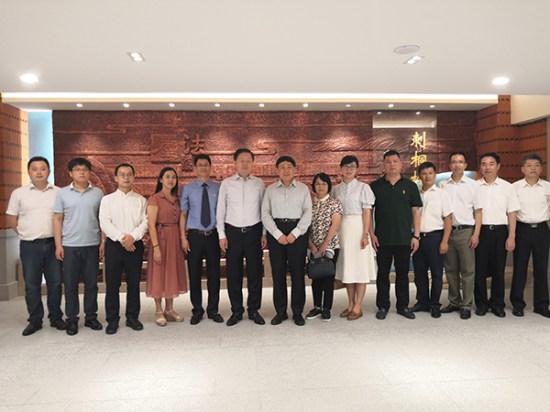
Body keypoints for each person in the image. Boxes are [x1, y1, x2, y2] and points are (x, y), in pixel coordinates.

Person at [6, 156, 65, 336]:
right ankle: (35, 320)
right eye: (35, 169)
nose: (39, 172)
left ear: (49, 171)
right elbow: (12, 219)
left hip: (53, 244)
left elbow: (63, 218)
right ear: (29, 172)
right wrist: (25, 233)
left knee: (55, 283)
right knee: (32, 284)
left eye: (43, 168)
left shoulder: (59, 193)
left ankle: (56, 317)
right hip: (30, 246)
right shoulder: (19, 193)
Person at [53, 157, 104, 336]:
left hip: (92, 244)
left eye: (85, 169)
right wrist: (58, 245)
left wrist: (103, 241)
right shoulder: (62, 193)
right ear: (71, 173)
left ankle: (91, 317)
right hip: (69, 246)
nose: (81, 172)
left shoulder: (98, 193)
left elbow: (102, 219)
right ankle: (72, 319)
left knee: (92, 284)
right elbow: (57, 219)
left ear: (89, 173)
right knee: (70, 285)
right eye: (77, 169)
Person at [217, 148, 267, 327]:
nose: (245, 164)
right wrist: (222, 235)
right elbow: (220, 211)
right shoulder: (226, 184)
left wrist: (263, 233)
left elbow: (264, 210)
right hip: (233, 233)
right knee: (233, 273)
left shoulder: (259, 183)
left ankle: (253, 309)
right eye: (241, 160)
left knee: (255, 273)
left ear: (252, 163)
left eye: (248, 161)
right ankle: (236, 310)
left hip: (254, 232)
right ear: (235, 163)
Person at [370, 150, 422, 320]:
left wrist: (416, 236)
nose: (392, 165)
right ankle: (382, 305)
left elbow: (416, 212)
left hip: (404, 238)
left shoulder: (410, 186)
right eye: (388, 162)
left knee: (402, 274)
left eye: (395, 161)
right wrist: (371, 234)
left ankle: (403, 306)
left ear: (401, 164)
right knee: (382, 275)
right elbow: (368, 212)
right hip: (382, 239)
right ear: (383, 165)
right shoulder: (375, 186)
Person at [262, 156, 312, 326]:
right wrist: (277, 234)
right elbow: (265, 213)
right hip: (276, 232)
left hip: (297, 232)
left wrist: (295, 233)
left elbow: (308, 213)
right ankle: (280, 311)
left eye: (289, 166)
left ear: (294, 169)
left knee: (298, 274)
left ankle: (297, 312)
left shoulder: (303, 189)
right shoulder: (270, 190)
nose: (285, 170)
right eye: (282, 167)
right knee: (278, 273)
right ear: (277, 170)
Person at [99, 163, 148, 334]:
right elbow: (105, 222)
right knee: (112, 285)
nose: (126, 177)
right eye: (122, 174)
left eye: (129, 174)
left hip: (135, 245)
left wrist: (132, 237)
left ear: (134, 177)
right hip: (114, 245)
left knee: (133, 284)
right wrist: (122, 238)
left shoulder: (141, 200)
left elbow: (145, 222)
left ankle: (132, 318)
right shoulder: (107, 200)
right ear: (116, 178)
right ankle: (112, 320)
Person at [475, 152, 520, 317]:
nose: (487, 167)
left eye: (491, 164)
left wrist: (512, 236)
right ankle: (481, 304)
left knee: (498, 270)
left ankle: (497, 304)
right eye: (484, 164)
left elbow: (512, 213)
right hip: (480, 232)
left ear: (498, 166)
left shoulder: (507, 187)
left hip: (500, 232)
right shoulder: (474, 187)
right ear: (480, 167)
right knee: (479, 270)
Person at [180, 154, 224, 325]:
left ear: (211, 167)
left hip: (213, 235)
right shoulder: (188, 189)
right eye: (200, 165)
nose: (203, 167)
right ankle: (197, 310)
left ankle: (213, 310)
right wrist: (183, 237)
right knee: (194, 274)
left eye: (206, 164)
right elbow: (183, 214)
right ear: (195, 168)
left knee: (214, 274)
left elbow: (222, 213)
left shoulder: (218, 187)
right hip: (194, 237)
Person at [331, 155, 376, 320]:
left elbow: (367, 212)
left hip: (358, 228)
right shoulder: (335, 189)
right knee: (348, 268)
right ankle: (350, 304)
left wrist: (365, 234)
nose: (349, 169)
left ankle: (358, 305)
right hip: (342, 229)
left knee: (360, 268)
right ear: (341, 169)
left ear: (357, 169)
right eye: (346, 166)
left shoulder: (364, 188)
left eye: (352, 166)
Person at [439, 152, 482, 320]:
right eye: (454, 162)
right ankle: (454, 301)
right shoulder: (443, 185)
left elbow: (478, 212)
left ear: (465, 165)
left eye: (460, 162)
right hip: (448, 232)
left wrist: (476, 234)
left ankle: (466, 304)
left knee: (468, 270)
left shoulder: (473, 185)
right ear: (450, 165)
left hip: (466, 232)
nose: (457, 165)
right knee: (450, 270)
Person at [411, 162, 453, 318]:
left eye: (430, 173)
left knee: (436, 273)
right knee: (419, 272)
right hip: (418, 237)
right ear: (419, 176)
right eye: (424, 173)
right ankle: (422, 301)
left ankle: (435, 304)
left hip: (435, 237)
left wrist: (445, 241)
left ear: (435, 175)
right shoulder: (415, 194)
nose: (427, 176)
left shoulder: (442, 194)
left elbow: (448, 219)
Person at [146, 167, 188, 326]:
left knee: (172, 272)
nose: (171, 180)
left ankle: (169, 309)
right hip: (160, 238)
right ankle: (158, 310)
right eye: (167, 177)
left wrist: (182, 238)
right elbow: (151, 224)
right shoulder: (155, 198)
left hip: (174, 238)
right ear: (161, 179)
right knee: (158, 272)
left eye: (173, 177)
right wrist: (156, 247)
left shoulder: (177, 199)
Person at [511, 154, 550, 318]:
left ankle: (541, 305)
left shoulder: (548, 187)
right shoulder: (514, 187)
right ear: (522, 169)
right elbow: (511, 212)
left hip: (542, 230)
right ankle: (518, 304)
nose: (533, 168)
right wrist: (511, 234)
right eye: (529, 165)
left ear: (541, 168)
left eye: (536, 165)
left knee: (541, 269)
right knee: (520, 268)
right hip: (522, 230)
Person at [305, 173, 343, 322]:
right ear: (313, 186)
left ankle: (327, 308)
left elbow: (335, 224)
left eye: (324, 184)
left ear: (329, 186)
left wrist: (325, 244)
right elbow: (305, 225)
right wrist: (311, 245)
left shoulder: (334, 203)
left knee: (328, 277)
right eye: (318, 184)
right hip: (313, 246)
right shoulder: (308, 204)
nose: (320, 187)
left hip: (330, 246)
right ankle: (316, 307)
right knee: (315, 277)